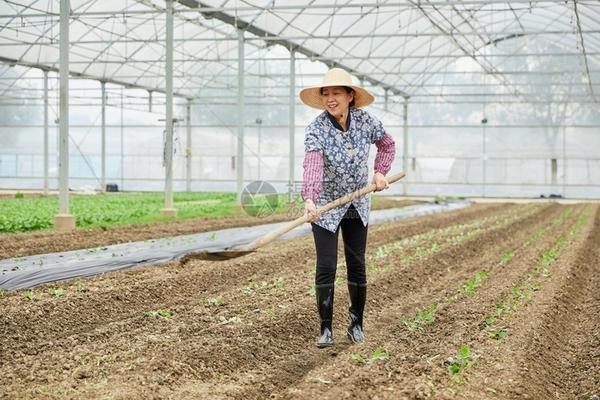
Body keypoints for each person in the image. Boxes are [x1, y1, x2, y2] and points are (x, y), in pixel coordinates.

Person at [299, 68, 396, 348]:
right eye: (325, 94)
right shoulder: (316, 129)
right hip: (325, 204)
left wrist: (379, 172)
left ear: (350, 96)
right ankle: (325, 329)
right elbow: (313, 164)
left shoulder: (366, 121)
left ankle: (356, 324)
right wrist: (310, 199)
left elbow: (387, 144)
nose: (330, 98)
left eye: (336, 93)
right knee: (326, 265)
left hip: (357, 201)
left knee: (356, 263)